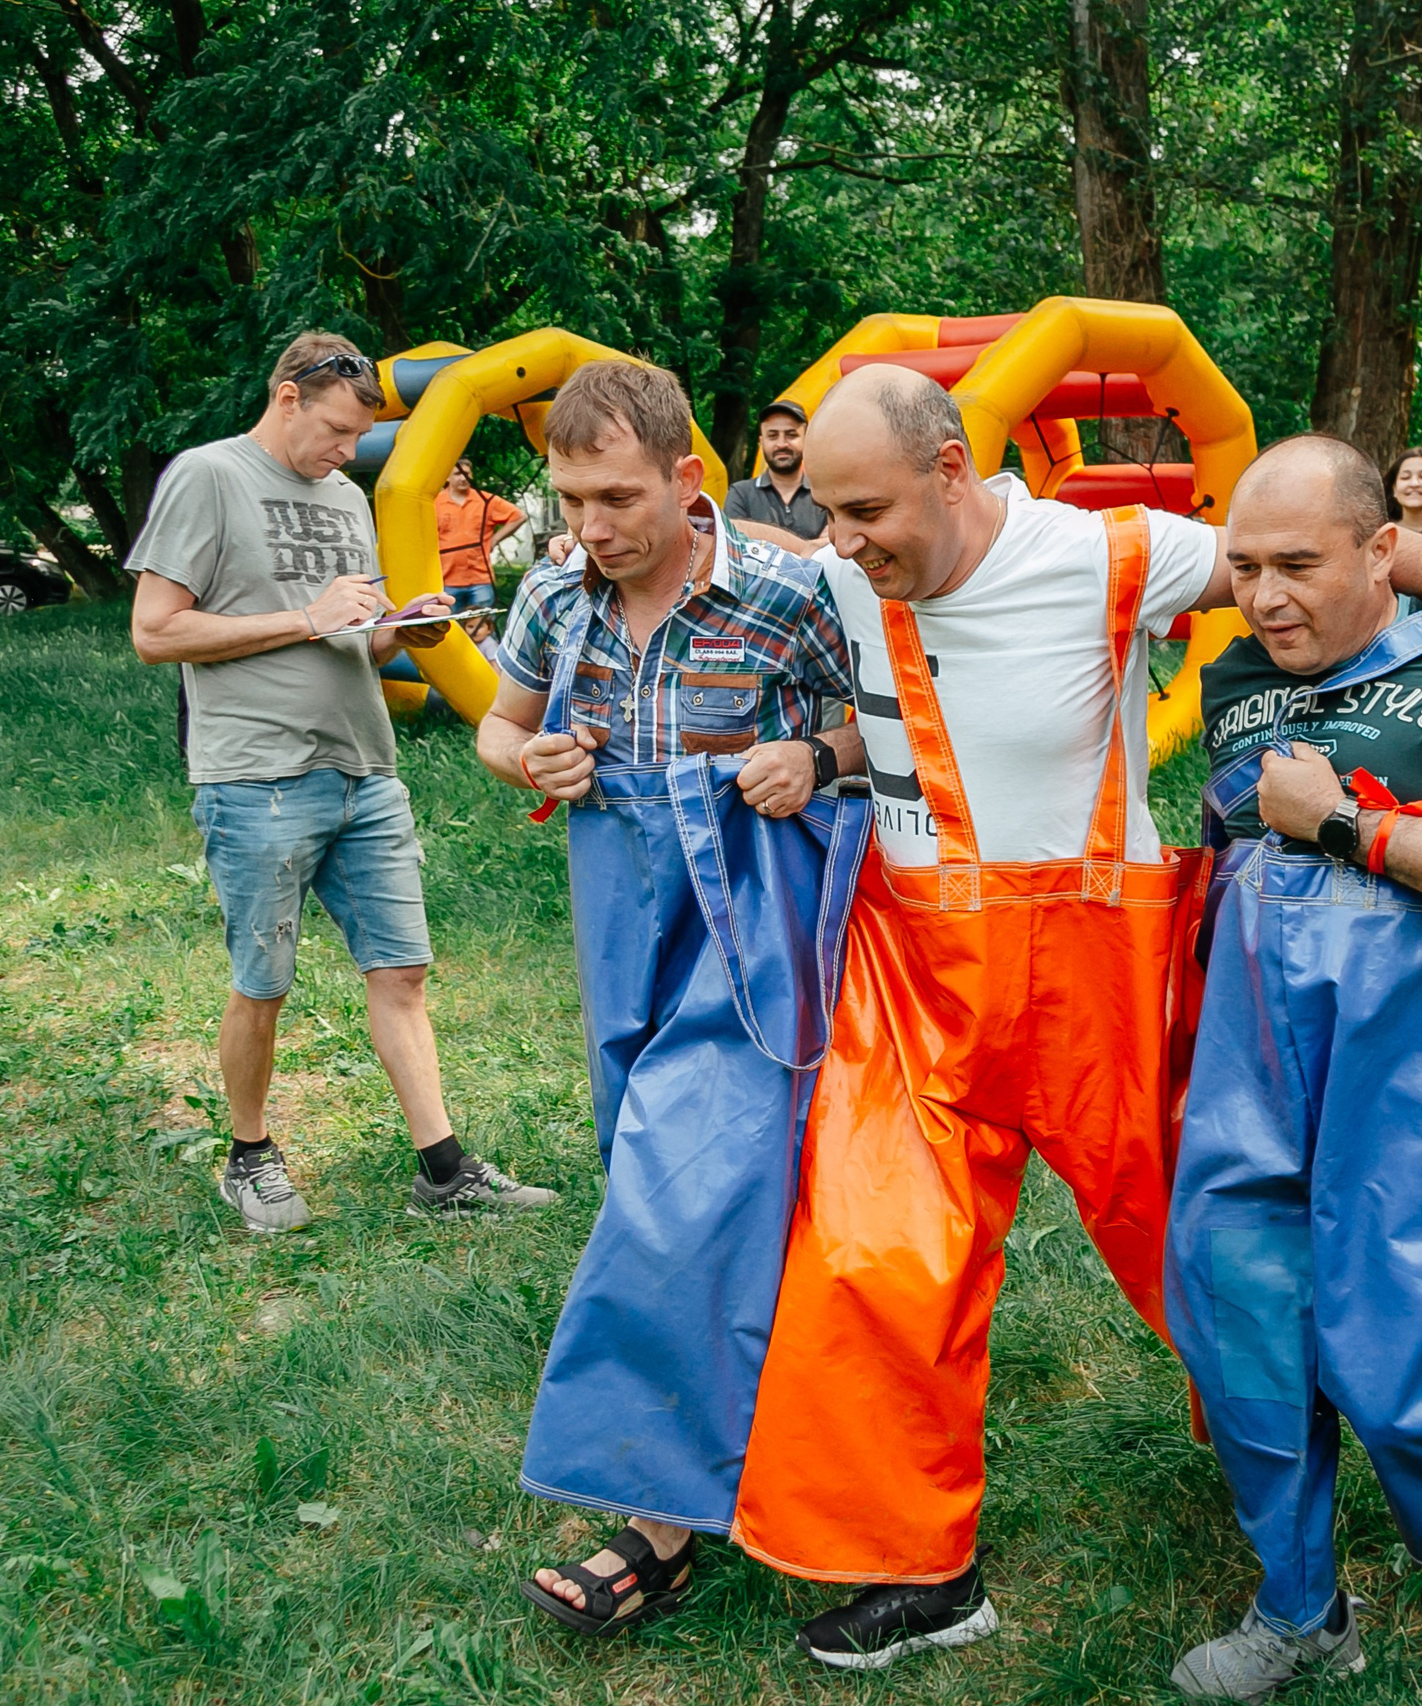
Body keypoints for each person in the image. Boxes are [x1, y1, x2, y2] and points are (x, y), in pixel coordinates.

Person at [723, 365, 1422, 1669]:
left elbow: (1314, 557)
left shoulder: (1113, 554)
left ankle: (1390, 1463)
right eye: (829, 511)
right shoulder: (845, 562)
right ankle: (922, 1569)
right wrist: (825, 753)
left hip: (1098, 975)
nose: (842, 537)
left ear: (951, 471)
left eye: (866, 508)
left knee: (1212, 1254)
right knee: (875, 1260)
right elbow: (735, 573)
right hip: (917, 976)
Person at [1163, 436, 1422, 1703]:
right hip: (1252, 1051)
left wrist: (1342, 822)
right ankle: (1298, 1607)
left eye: (1299, 563)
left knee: (1409, 1324)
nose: (1266, 593)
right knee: (1241, 1309)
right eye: (1246, 565)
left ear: (1384, 553)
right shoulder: (1235, 668)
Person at [471, 361, 869, 1637]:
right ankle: (759, 1435)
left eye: (616, 496)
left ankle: (657, 1519)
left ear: (689, 478)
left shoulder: (793, 590)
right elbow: (500, 726)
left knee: (681, 1176)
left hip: (753, 916)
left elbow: (895, 722)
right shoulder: (550, 593)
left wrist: (812, 754)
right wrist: (526, 753)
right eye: (571, 497)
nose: (590, 526)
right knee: (635, 1148)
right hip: (617, 909)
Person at [128, 332, 555, 1230]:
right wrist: (303, 617)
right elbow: (157, 631)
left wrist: (404, 629)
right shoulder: (207, 476)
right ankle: (249, 1158)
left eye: (358, 439)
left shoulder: (344, 500)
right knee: (264, 982)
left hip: (366, 769)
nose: (344, 453)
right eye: (334, 432)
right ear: (287, 396)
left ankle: (444, 1171)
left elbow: (351, 637)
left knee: (402, 970)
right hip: (258, 775)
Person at [719, 399, 828, 544]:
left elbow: (837, 546)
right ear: (761, 441)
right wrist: (813, 546)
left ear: (806, 439)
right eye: (772, 436)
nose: (781, 444)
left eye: (791, 434)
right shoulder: (741, 494)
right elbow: (737, 546)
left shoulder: (825, 493)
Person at [435, 456, 525, 609]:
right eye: (458, 474)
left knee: (482, 627)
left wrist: (495, 539)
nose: (464, 478)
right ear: (447, 477)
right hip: (447, 580)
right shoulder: (435, 503)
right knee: (450, 629)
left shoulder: (485, 500)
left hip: (480, 579)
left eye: (467, 474)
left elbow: (519, 516)